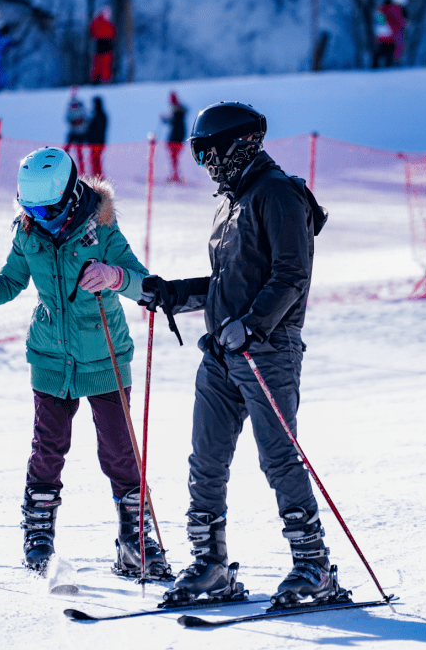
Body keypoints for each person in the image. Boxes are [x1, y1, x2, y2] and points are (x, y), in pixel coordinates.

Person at [137, 102, 334, 609]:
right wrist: (174, 293)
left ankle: (313, 565)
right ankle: (211, 565)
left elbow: (292, 274)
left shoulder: (278, 194)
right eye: (197, 153)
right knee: (206, 459)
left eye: (207, 151)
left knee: (278, 457)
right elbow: (228, 284)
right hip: (224, 352)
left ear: (237, 144)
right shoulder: (232, 202)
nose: (204, 163)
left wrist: (254, 325)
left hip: (268, 350)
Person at [0, 147, 171, 580]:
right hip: (51, 356)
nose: (38, 216)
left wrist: (113, 276)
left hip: (104, 352)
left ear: (68, 196)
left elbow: (142, 282)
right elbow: (11, 281)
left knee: (120, 453)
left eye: (46, 208)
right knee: (48, 449)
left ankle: (134, 543)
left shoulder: (101, 230)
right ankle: (39, 537)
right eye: (29, 208)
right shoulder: (28, 233)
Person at [372, 0, 409, 69]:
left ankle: (377, 66)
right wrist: (405, 23)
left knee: (382, 50)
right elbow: (399, 20)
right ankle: (388, 67)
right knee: (391, 51)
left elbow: (379, 18)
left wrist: (381, 26)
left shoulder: (382, 8)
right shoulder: (395, 8)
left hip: (382, 33)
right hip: (392, 33)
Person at [160, 91, 188, 183]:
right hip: (178, 137)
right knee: (174, 157)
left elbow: (175, 123)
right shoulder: (179, 111)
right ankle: (175, 174)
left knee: (174, 157)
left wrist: (166, 120)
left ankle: (175, 175)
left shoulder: (177, 112)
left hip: (176, 138)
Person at [89, 7, 116, 84]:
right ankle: (101, 79)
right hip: (101, 44)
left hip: (104, 45)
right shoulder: (100, 22)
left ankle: (103, 78)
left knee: (104, 62)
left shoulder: (106, 23)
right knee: (101, 62)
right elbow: (112, 33)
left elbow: (113, 33)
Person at [64, 88, 88, 173]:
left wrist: (78, 121)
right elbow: (67, 118)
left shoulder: (81, 108)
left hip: (80, 134)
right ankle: (61, 167)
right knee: (66, 152)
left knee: (79, 154)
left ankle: (82, 171)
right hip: (73, 133)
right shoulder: (70, 109)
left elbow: (85, 118)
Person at [85, 96, 107, 179]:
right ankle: (96, 177)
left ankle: (98, 178)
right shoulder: (95, 113)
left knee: (96, 162)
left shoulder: (100, 115)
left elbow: (98, 130)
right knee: (94, 161)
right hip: (94, 143)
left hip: (98, 143)